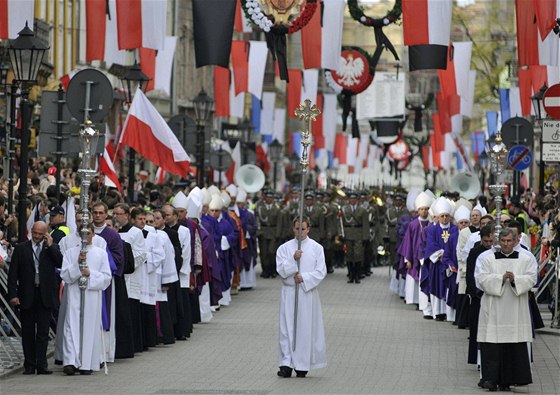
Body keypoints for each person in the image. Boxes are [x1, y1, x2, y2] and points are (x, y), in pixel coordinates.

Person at [475, 227, 537, 392]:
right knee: (493, 346)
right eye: (503, 241)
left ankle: (509, 380)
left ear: (516, 241)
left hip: (516, 308)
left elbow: (532, 278)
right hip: (494, 307)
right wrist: (500, 279)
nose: (506, 244)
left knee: (512, 345)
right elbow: (481, 278)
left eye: (509, 241)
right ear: (498, 241)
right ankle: (491, 379)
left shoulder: (525, 259)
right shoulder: (488, 259)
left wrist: (516, 279)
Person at [7, 221, 63, 375]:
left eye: (40, 234)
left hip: (45, 295)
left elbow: (61, 263)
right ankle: (29, 364)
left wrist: (50, 246)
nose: (37, 236)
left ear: (45, 233)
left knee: (43, 332)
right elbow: (13, 274)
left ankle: (42, 364)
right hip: (27, 295)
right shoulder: (21, 248)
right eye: (35, 233)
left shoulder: (51, 248)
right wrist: (13, 295)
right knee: (28, 332)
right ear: (31, 231)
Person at [276, 217, 327, 378]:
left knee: (304, 329)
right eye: (297, 229)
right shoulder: (284, 248)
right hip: (289, 293)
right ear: (293, 229)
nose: (300, 232)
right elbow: (281, 270)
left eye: (303, 229)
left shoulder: (316, 248)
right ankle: (286, 363)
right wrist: (293, 260)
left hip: (306, 294)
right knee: (287, 329)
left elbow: (321, 271)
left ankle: (302, 364)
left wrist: (304, 277)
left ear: (308, 229)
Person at [60, 223, 112, 375]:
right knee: (71, 325)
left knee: (89, 327)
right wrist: (77, 264)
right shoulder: (70, 252)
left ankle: (86, 363)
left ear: (93, 234)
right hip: (74, 292)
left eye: (88, 233)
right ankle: (70, 361)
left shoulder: (100, 253)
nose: (85, 237)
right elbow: (65, 275)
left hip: (91, 294)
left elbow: (107, 278)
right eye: (82, 234)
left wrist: (90, 274)